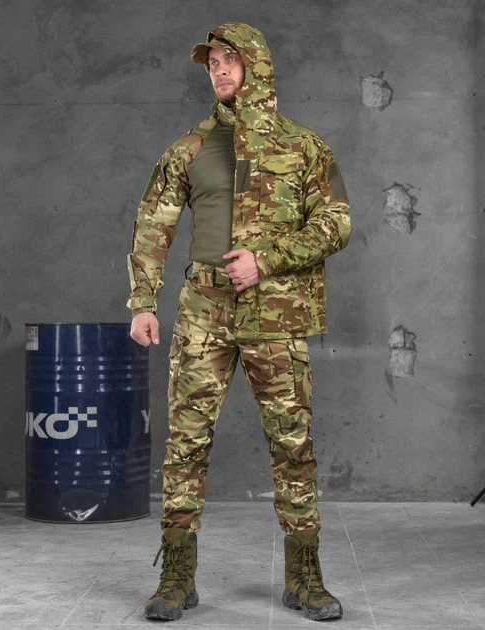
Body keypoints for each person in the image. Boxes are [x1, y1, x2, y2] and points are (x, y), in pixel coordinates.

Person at [127, 22, 351, 623]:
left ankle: (305, 577)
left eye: (230, 59)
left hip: (277, 315)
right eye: (211, 62)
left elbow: (336, 224)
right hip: (203, 313)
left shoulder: (304, 147)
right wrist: (143, 302)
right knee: (184, 446)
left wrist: (267, 258)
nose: (219, 69)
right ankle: (177, 577)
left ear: (257, 66)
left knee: (293, 446)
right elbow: (153, 225)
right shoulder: (189, 148)